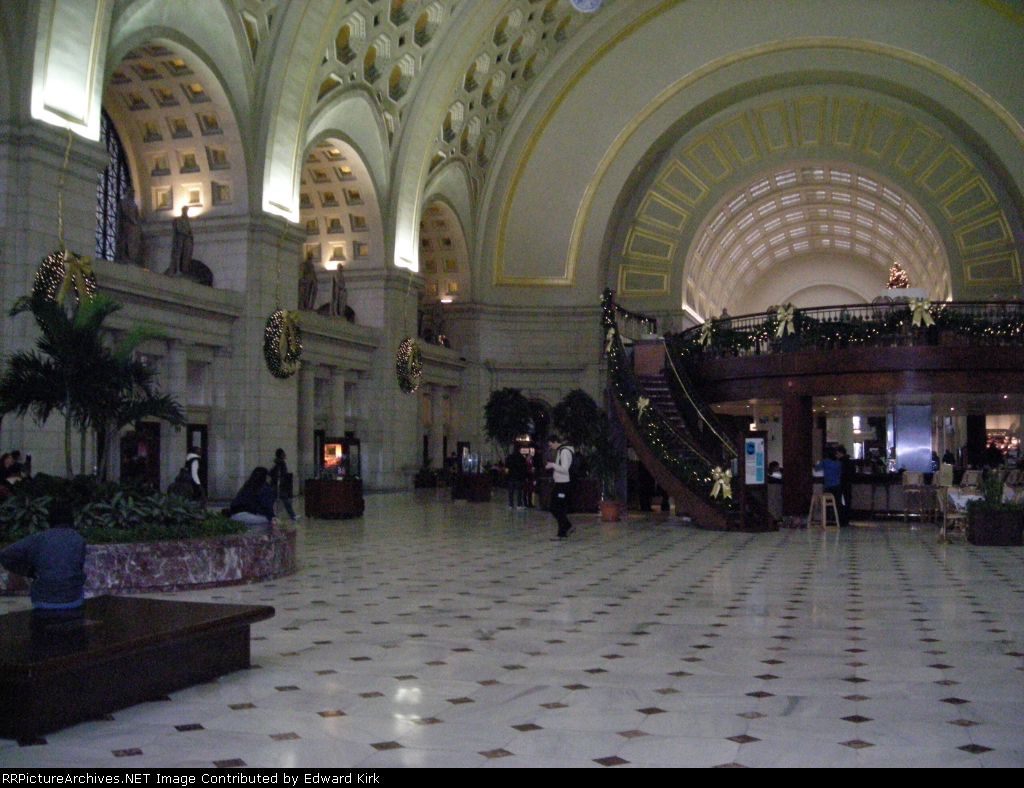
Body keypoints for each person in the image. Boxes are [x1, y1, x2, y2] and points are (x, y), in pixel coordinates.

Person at [0, 499, 86, 624]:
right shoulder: (79, 540)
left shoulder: (38, 539)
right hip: (72, 600)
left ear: (49, 519)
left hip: (43, 600)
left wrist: (28, 571)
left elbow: (5, 555)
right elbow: (78, 568)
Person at [227, 467, 279, 532]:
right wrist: (272, 517)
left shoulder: (247, 486)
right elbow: (266, 508)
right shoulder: (265, 488)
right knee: (275, 521)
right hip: (249, 516)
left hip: (234, 516)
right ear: (266, 477)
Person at [546, 435, 575, 539]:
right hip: (560, 483)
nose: (550, 447)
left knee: (557, 508)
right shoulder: (561, 451)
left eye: (550, 444)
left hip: (563, 484)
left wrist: (552, 465)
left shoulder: (564, 451)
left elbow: (564, 469)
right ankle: (567, 527)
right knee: (555, 507)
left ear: (554, 441)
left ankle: (563, 532)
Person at [114, 188, 144, 267]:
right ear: (127, 192)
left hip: (133, 228)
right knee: (125, 242)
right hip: (126, 227)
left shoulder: (134, 205)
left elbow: (137, 218)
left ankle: (131, 258)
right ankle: (124, 257)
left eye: (133, 192)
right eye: (131, 192)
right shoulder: (123, 202)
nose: (133, 194)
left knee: (132, 243)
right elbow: (121, 216)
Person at [268, 448, 298, 521]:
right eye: (283, 454)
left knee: (275, 501)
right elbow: (279, 474)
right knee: (284, 501)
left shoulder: (279, 463)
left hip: (278, 485)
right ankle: (292, 515)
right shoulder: (280, 464)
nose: (285, 455)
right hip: (278, 486)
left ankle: (292, 515)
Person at [818, 447, 844, 526]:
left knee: (827, 505)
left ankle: (828, 520)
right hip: (837, 485)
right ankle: (837, 521)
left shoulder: (824, 462)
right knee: (837, 504)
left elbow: (816, 469)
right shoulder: (838, 463)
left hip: (828, 486)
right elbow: (839, 473)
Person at [167, 205, 193, 276]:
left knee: (186, 255)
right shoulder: (178, 219)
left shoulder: (187, 221)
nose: (186, 212)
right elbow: (178, 229)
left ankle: (183, 269)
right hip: (180, 239)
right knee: (178, 254)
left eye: (186, 211)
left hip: (186, 240)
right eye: (185, 210)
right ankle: (177, 269)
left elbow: (189, 231)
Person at [836, 445, 854, 527]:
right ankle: (846, 520)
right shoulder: (849, 461)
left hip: (841, 484)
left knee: (841, 502)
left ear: (839, 453)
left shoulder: (839, 462)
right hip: (848, 484)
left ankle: (841, 519)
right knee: (847, 501)